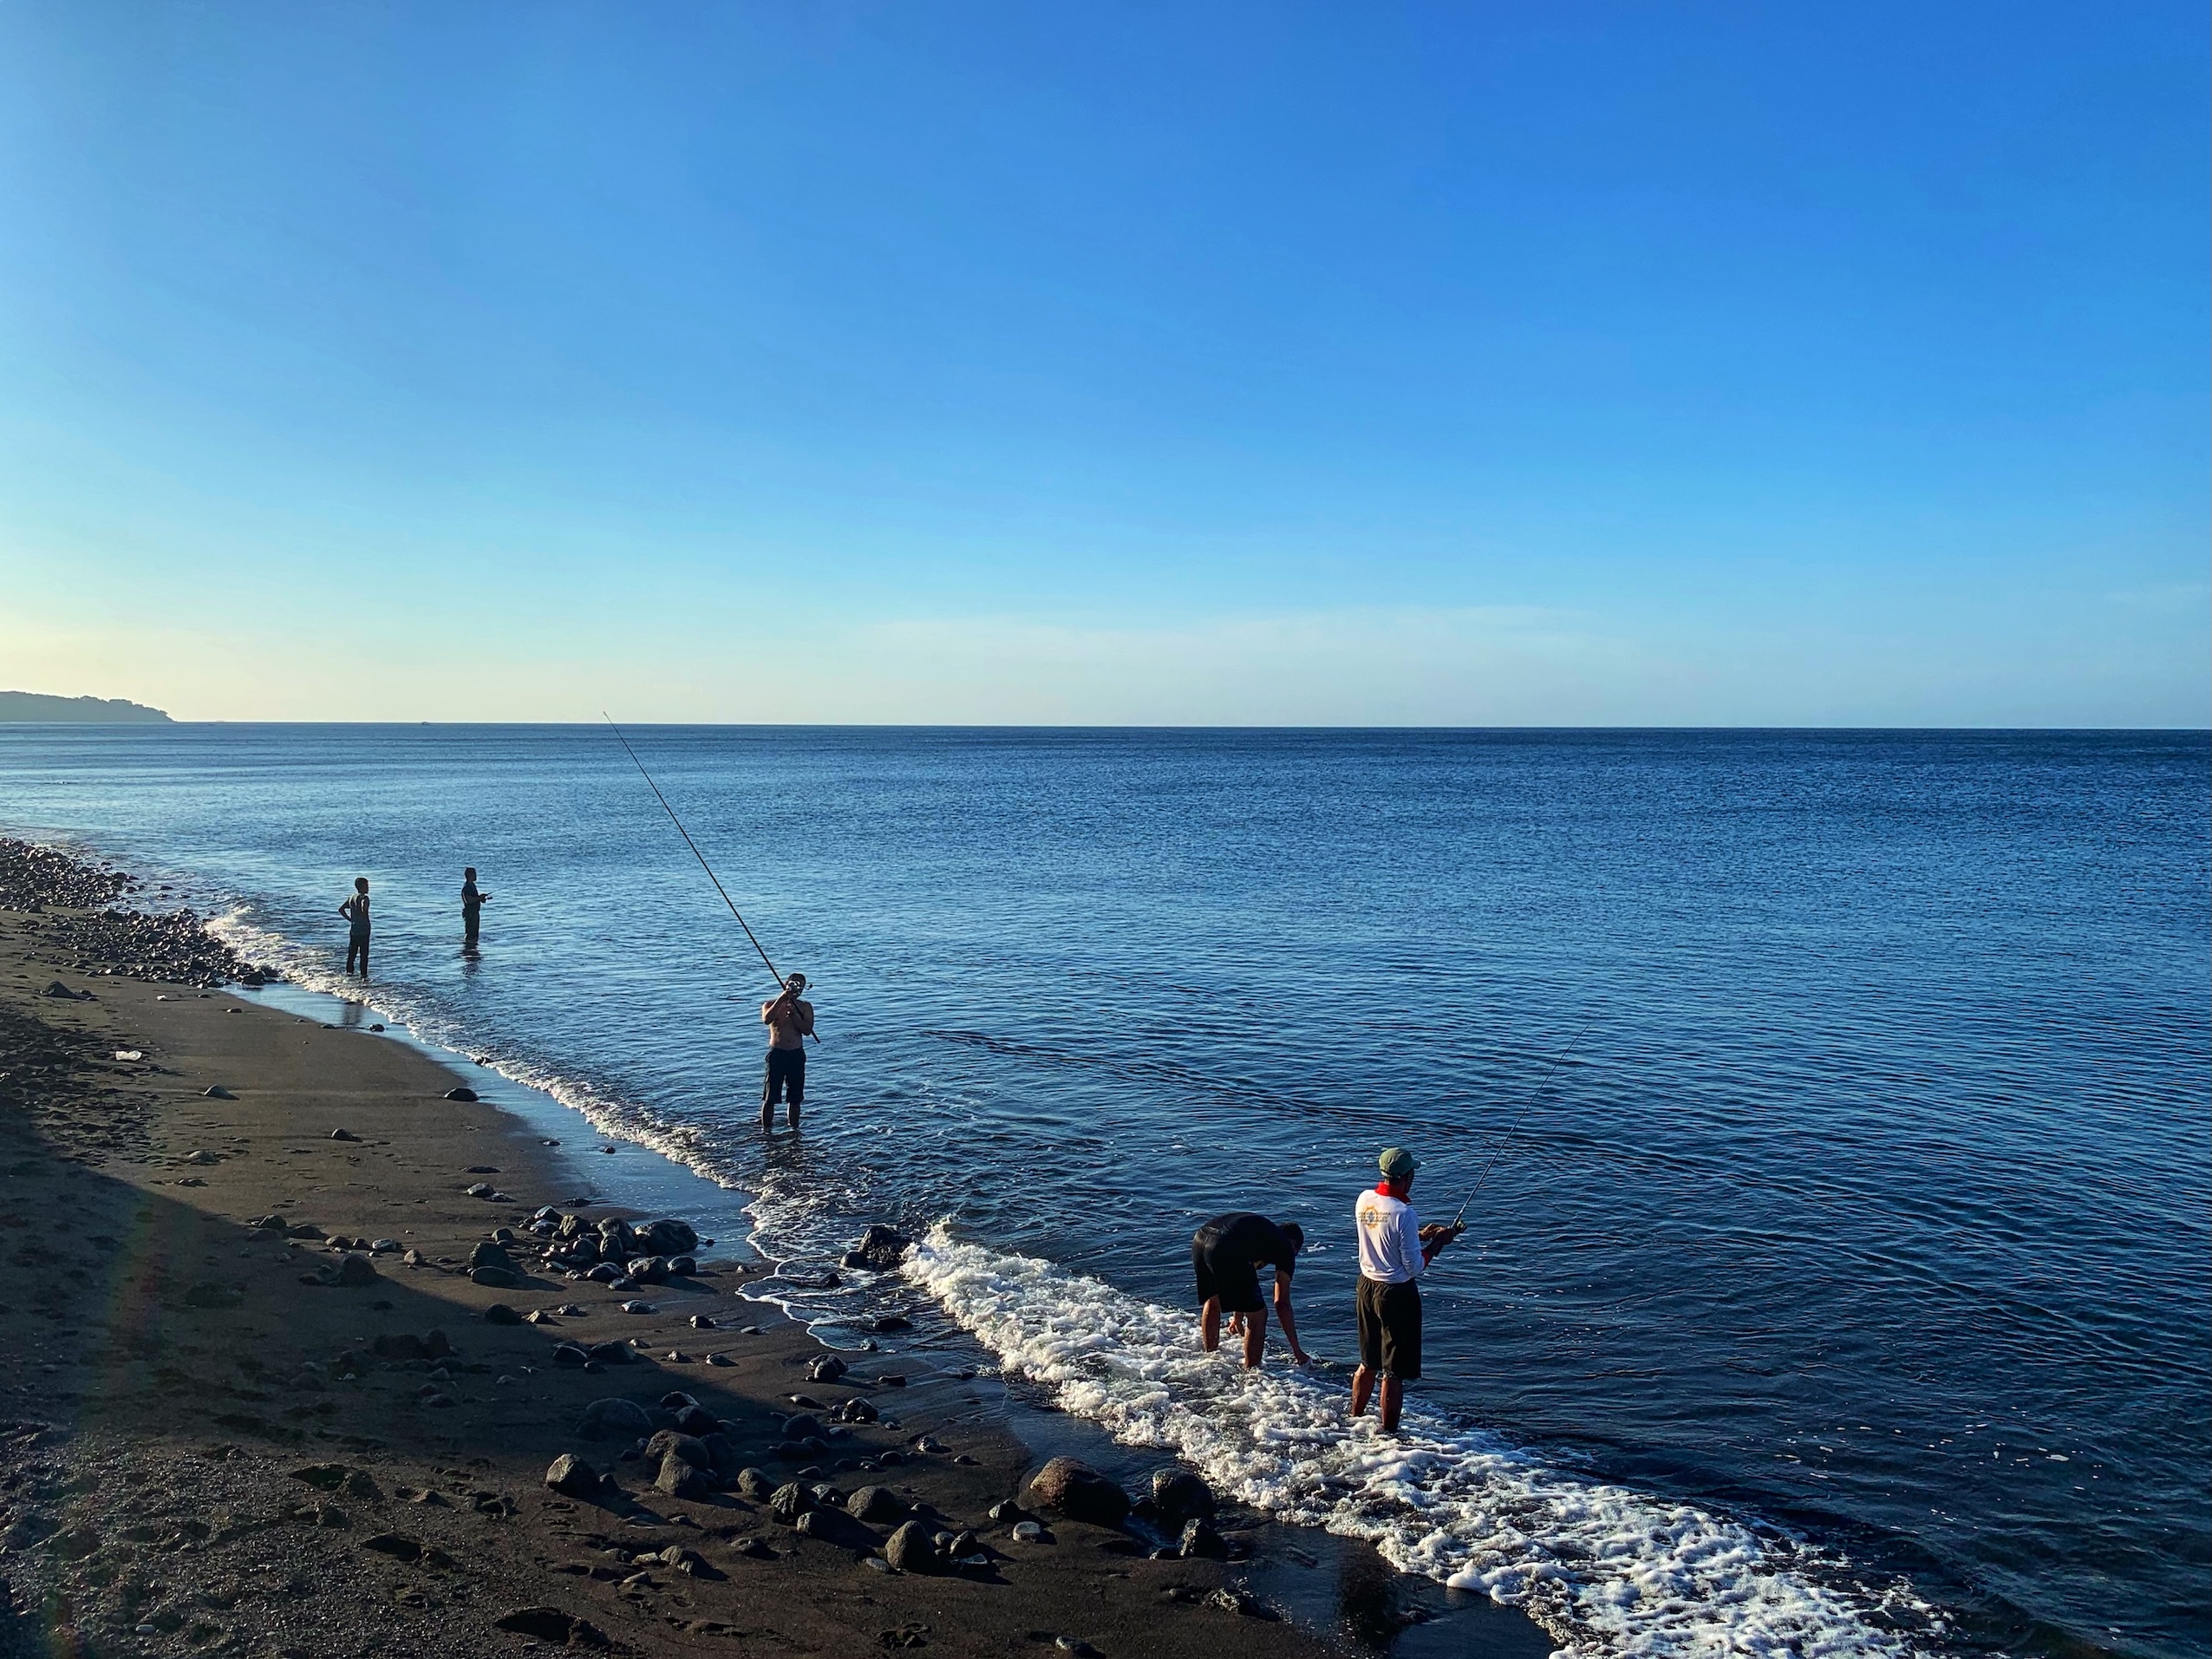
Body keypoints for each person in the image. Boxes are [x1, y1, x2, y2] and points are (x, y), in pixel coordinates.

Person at [1350, 1146, 1460, 1433]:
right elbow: (1414, 1267)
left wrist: (1421, 1234)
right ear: (1406, 1177)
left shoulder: (1365, 1200)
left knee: (1367, 1363)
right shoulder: (1404, 1213)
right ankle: (1389, 1437)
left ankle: (1354, 1418)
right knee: (1393, 1373)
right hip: (1396, 1295)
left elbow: (1381, 1231)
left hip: (1366, 1287)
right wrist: (1438, 1244)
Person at [1191, 1212, 1309, 1368]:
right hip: (1226, 1245)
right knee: (1258, 1315)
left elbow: (1241, 1281)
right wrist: (1297, 1351)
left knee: (1214, 1300)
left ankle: (1211, 1357)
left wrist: (1238, 1319)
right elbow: (1281, 1303)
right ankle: (1252, 1372)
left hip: (1201, 1238)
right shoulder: (1285, 1247)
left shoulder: (1261, 1235)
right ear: (1294, 1246)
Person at [760, 973, 814, 1128]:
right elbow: (767, 1019)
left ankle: (794, 1131)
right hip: (777, 1054)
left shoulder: (805, 1007)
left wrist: (796, 1015)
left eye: (801, 986)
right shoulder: (770, 1004)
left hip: (796, 1054)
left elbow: (807, 1030)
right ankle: (766, 1131)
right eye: (795, 984)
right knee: (770, 1097)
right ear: (786, 984)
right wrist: (783, 999)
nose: (798, 989)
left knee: (795, 1098)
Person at [338, 877, 371, 977]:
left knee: (352, 954)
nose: (368, 888)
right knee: (364, 955)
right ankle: (363, 977)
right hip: (364, 930)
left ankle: (349, 974)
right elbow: (363, 905)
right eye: (367, 885)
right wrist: (363, 909)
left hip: (354, 929)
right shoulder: (364, 898)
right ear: (362, 886)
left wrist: (350, 920)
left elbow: (341, 909)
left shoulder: (352, 897)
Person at [460, 866, 490, 949]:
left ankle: (472, 949)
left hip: (474, 912)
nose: (476, 876)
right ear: (470, 875)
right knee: (470, 934)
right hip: (470, 913)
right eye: (475, 874)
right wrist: (479, 898)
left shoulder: (472, 885)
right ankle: (468, 950)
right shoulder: (467, 887)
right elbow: (468, 900)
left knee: (474, 935)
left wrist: (481, 898)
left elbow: (475, 898)